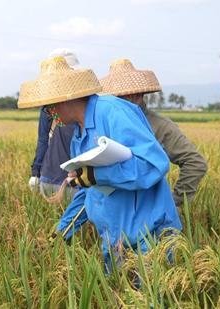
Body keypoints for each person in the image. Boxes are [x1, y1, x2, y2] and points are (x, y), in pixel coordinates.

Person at [17, 56, 182, 266]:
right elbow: (89, 192)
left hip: (149, 237)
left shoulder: (113, 111)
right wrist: (62, 231)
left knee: (148, 299)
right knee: (114, 296)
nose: (49, 114)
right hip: (114, 239)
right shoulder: (78, 135)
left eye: (49, 107)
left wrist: (98, 175)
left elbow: (154, 164)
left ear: (65, 98)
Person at [100, 59, 207, 207]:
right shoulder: (106, 123)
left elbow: (195, 163)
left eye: (117, 98)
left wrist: (174, 202)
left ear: (134, 96)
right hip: (114, 211)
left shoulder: (160, 126)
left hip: (149, 213)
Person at [29, 48, 78, 201]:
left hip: (49, 177)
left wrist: (35, 172)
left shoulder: (48, 107)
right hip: (76, 180)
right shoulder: (83, 104)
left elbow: (43, 140)